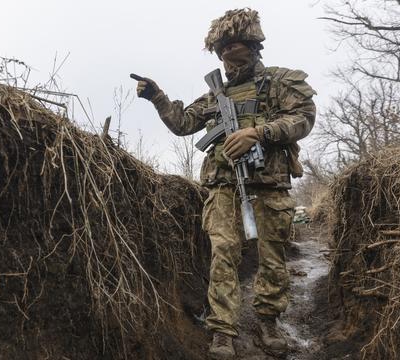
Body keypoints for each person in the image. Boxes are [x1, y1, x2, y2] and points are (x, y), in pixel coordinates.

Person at [132, 8, 316, 359]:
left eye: (232, 47)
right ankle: (222, 331)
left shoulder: (280, 82)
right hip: (223, 188)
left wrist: (257, 133)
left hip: (268, 186)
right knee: (223, 256)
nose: (226, 56)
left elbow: (304, 118)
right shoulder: (216, 95)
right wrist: (157, 97)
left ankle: (268, 322)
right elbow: (183, 123)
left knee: (272, 257)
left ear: (253, 45)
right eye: (220, 50)